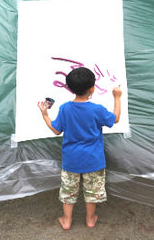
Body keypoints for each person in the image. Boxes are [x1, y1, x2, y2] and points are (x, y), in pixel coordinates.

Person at [37, 67, 122, 230]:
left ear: (69, 88)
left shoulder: (65, 108)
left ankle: (67, 221)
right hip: (94, 160)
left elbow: (56, 130)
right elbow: (115, 119)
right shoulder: (97, 109)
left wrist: (45, 115)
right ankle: (90, 219)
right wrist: (117, 97)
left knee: (68, 192)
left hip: (71, 160)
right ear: (92, 88)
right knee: (92, 193)